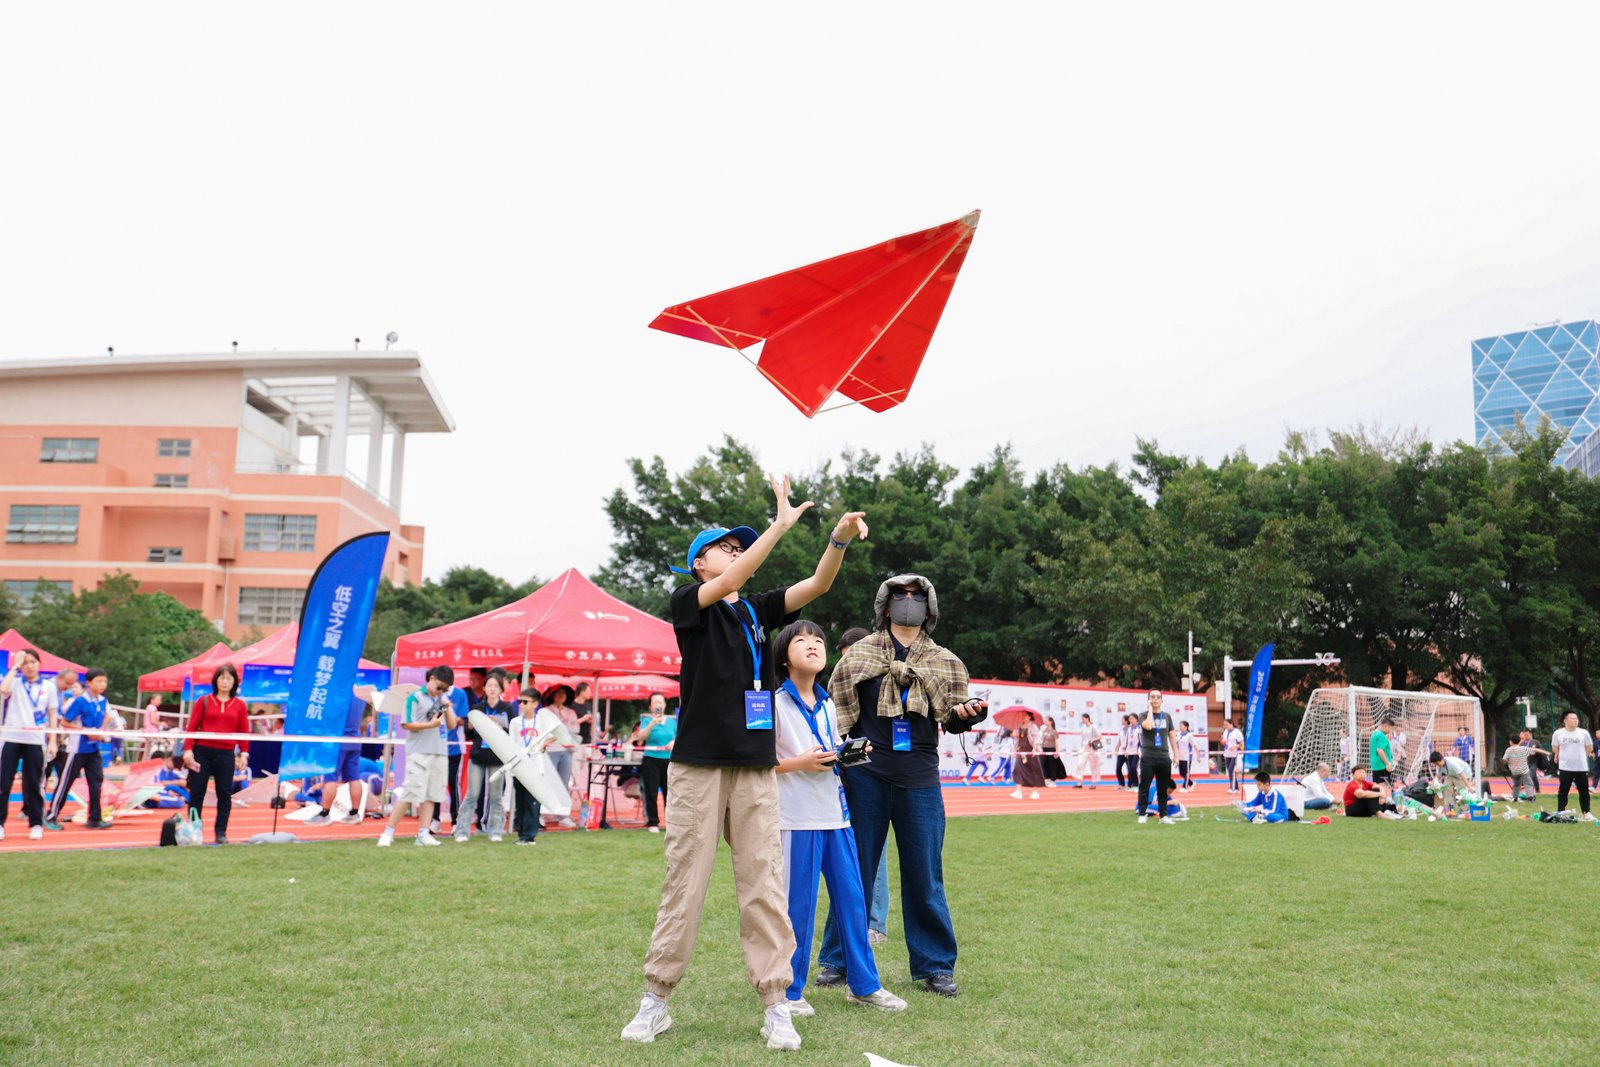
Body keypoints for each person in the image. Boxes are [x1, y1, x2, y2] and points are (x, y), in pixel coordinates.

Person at [622, 476, 866, 1051]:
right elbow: (734, 577)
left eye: (740, 545)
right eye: (723, 548)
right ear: (698, 565)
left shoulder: (755, 612)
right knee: (686, 883)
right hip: (699, 766)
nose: (734, 555)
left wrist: (837, 541)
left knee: (764, 885)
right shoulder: (690, 604)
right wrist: (779, 525)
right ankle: (655, 1001)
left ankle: (776, 1004)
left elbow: (816, 585)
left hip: (755, 769)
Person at [815, 573, 987, 1000]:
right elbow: (837, 713)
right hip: (866, 773)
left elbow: (952, 716)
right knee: (853, 872)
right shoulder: (858, 654)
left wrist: (968, 714)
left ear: (929, 607)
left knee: (925, 874)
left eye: (916, 596)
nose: (908, 602)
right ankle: (838, 960)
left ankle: (934, 967)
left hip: (920, 777)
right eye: (900, 595)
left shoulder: (947, 660)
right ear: (884, 605)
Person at [771, 619, 907, 1016]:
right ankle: (790, 991)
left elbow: (826, 752)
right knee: (798, 908)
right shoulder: (774, 704)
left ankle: (865, 985)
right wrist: (801, 762)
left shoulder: (829, 703)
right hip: (796, 820)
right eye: (801, 640)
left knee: (853, 902)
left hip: (836, 815)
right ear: (783, 657)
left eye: (818, 640)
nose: (813, 645)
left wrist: (844, 753)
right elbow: (758, 766)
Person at [378, 667, 459, 847]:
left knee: (432, 794)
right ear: (431, 679)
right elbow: (407, 723)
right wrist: (431, 724)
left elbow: (452, 725)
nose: (441, 691)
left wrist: (447, 707)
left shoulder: (441, 700)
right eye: (439, 687)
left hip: (439, 751)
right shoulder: (415, 697)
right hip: (420, 752)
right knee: (410, 792)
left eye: (445, 689)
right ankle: (388, 831)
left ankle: (423, 832)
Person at [183, 664, 249, 845]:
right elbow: (191, 728)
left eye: (229, 678)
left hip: (226, 754)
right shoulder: (203, 701)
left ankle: (221, 832)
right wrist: (188, 750)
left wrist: (244, 754)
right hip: (202, 752)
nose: (225, 682)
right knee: (197, 792)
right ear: (216, 680)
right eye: (222, 678)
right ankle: (194, 830)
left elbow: (243, 732)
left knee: (224, 793)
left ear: (235, 681)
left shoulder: (240, 706)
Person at [43, 667, 115, 831]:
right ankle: (51, 816)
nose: (102, 684)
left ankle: (95, 818)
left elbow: (107, 715)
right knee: (65, 782)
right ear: (89, 683)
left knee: (96, 782)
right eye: (98, 681)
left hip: (93, 750)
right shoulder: (80, 701)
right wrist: (84, 731)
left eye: (104, 681)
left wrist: (100, 731)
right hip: (77, 750)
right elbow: (65, 722)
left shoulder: (102, 700)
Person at [1, 650, 59, 841]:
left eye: (32, 662)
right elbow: (3, 690)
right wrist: (15, 666)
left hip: (35, 739)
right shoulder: (15, 682)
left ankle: (36, 824)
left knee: (33, 783)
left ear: (39, 663)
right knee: (3, 783)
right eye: (25, 663)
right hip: (11, 736)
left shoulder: (49, 686)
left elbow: (52, 714)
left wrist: (52, 740)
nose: (29, 666)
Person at [459, 672, 513, 841]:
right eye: (489, 686)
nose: (492, 689)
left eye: (495, 686)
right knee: (472, 794)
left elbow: (511, 732)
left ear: (500, 689)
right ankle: (462, 831)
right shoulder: (477, 709)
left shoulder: (507, 709)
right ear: (484, 688)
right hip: (478, 756)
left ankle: (495, 831)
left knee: (496, 796)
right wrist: (469, 726)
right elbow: (469, 733)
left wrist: (498, 725)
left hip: (498, 758)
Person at [510, 688, 567, 845]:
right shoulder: (515, 722)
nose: (521, 704)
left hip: (536, 767)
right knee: (520, 801)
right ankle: (522, 834)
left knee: (532, 801)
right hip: (519, 767)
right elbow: (510, 743)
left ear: (535, 704)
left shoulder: (541, 722)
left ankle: (529, 836)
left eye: (525, 702)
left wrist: (542, 745)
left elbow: (556, 734)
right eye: (519, 701)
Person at [629, 692, 676, 833]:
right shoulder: (646, 721)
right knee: (651, 791)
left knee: (670, 793)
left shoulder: (672, 722)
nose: (658, 705)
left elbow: (679, 736)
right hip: (651, 759)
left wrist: (674, 742)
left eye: (660, 702)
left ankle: (671, 822)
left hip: (668, 760)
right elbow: (640, 738)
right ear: (650, 706)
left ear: (665, 705)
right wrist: (652, 724)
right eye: (655, 702)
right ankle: (653, 822)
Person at [1136, 690, 1179, 825]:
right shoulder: (1143, 715)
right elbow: (1148, 726)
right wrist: (1150, 709)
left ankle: (1163, 816)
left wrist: (1176, 755)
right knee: (1145, 786)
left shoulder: (1167, 716)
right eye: (1152, 697)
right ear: (1148, 699)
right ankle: (1142, 814)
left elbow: (1172, 736)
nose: (1155, 699)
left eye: (1158, 697)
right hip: (1148, 756)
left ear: (1162, 700)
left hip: (1163, 757)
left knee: (1162, 788)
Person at [542, 684, 580, 827]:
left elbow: (576, 729)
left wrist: (560, 728)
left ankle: (563, 815)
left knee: (564, 784)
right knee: (547, 783)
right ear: (552, 695)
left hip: (566, 750)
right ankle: (541, 814)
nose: (561, 695)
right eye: (558, 693)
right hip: (551, 749)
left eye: (563, 693)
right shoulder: (545, 711)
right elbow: (547, 729)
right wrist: (562, 728)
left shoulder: (571, 712)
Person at [1551, 712, 1596, 821]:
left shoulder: (1583, 733)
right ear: (1565, 720)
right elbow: (1555, 748)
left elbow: (1589, 748)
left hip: (1581, 767)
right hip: (1565, 767)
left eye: (1576, 718)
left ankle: (1586, 813)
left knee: (1584, 791)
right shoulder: (1558, 733)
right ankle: (1561, 811)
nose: (1576, 720)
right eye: (1573, 718)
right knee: (1563, 791)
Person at [1072, 712, 1099, 790]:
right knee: (1080, 764)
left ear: (1087, 718)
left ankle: (1094, 783)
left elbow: (1099, 737)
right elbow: (1082, 738)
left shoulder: (1094, 727)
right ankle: (1079, 783)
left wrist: (1092, 740)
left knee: (1093, 766)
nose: (1082, 720)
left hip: (1092, 748)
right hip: (1084, 748)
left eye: (1083, 718)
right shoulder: (1083, 728)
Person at [1038, 717, 1064, 786]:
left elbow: (1056, 742)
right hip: (1044, 749)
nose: (1045, 722)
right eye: (1045, 721)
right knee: (1043, 764)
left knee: (1052, 765)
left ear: (1050, 722)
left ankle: (1053, 780)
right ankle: (1046, 779)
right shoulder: (1044, 730)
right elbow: (1042, 740)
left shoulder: (1054, 731)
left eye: (1046, 721)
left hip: (1051, 749)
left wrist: (1057, 751)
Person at [1222, 717, 1244, 793]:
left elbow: (1242, 744)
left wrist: (1234, 746)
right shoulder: (1225, 732)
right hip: (1227, 754)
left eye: (1226, 725)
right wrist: (1224, 742)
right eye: (1224, 725)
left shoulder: (1237, 732)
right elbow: (1224, 741)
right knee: (1229, 771)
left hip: (1235, 754)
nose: (1225, 726)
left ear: (1231, 724)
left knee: (1232, 770)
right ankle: (1236, 787)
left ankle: (1232, 787)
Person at [1369, 720, 1394, 786]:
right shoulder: (1381, 735)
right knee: (1384, 786)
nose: (1391, 731)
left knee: (1377, 786)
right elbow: (1379, 750)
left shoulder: (1374, 734)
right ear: (1386, 726)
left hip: (1376, 765)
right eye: (1391, 728)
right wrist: (1387, 763)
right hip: (1382, 765)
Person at [1114, 714, 1135, 789]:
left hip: (1129, 752)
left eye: (1122, 719)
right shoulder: (1121, 730)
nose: (1121, 720)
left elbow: (1132, 741)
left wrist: (1127, 748)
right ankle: (1121, 784)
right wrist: (1117, 748)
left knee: (1130, 769)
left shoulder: (1131, 729)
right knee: (1118, 768)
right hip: (1121, 752)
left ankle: (1130, 785)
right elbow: (1119, 741)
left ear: (1126, 721)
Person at [1176, 720, 1195, 791]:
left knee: (1186, 772)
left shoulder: (1190, 735)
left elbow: (1194, 745)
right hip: (1180, 756)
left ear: (1186, 727)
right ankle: (1191, 783)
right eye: (1179, 726)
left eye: (1181, 726)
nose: (1180, 727)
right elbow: (1177, 745)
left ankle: (1185, 787)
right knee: (1181, 773)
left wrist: (1198, 756)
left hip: (1187, 757)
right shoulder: (1179, 734)